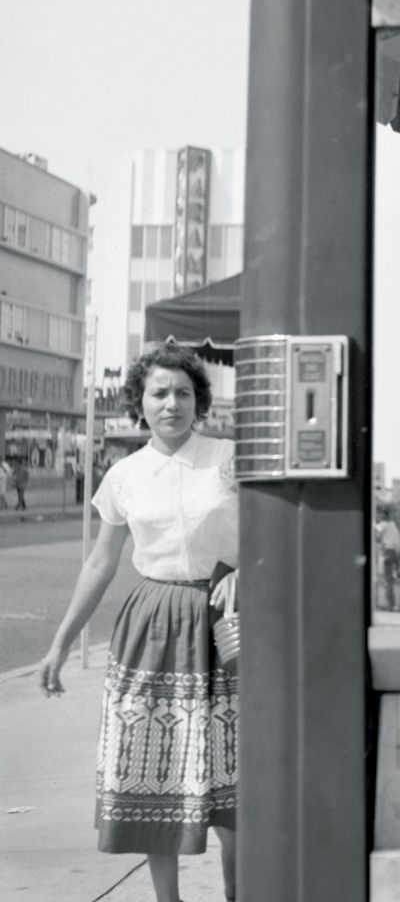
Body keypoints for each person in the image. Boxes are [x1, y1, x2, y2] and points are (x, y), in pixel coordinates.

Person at [37, 341, 238, 902]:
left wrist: (246, 570)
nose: (171, 403)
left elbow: (271, 537)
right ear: (140, 403)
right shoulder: (124, 474)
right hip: (152, 628)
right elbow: (101, 562)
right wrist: (59, 645)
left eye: (182, 393)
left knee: (232, 783)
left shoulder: (229, 459)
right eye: (159, 393)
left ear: (199, 401)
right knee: (159, 774)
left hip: (225, 622)